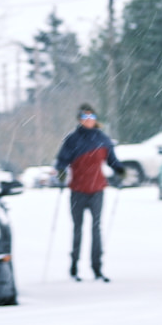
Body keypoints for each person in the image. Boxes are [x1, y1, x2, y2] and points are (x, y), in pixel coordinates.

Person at [55, 105, 121, 283]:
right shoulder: (72, 139)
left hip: (97, 190)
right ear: (79, 119)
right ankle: (74, 266)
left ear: (96, 119)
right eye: (84, 116)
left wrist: (120, 170)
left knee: (96, 229)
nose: (88, 119)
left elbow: (112, 160)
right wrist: (60, 173)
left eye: (91, 116)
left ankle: (97, 268)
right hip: (77, 190)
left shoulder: (103, 139)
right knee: (78, 230)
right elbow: (62, 160)